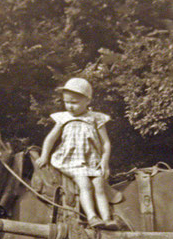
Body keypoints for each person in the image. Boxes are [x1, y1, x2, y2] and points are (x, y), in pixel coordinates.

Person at [36, 77, 118, 230]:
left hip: (91, 161)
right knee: (85, 184)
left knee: (99, 185)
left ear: (87, 101)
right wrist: (44, 155)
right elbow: (51, 138)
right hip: (70, 160)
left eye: (74, 102)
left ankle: (107, 219)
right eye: (67, 102)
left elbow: (106, 143)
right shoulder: (64, 118)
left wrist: (105, 162)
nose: (70, 106)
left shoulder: (95, 118)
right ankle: (92, 216)